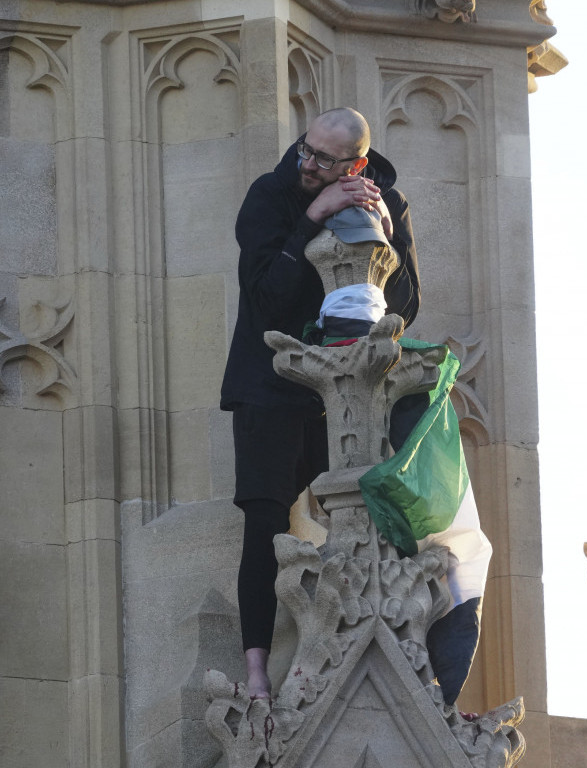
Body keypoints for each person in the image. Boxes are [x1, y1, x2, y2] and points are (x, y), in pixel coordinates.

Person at [220, 107, 421, 700]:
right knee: (263, 521)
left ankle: (387, 655)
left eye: (324, 160)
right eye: (305, 150)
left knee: (375, 511)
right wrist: (313, 216)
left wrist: (383, 233)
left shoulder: (387, 197)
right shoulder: (272, 193)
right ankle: (256, 670)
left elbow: (405, 306)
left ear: (355, 164)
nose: (306, 163)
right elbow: (266, 301)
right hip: (271, 383)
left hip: (352, 387)